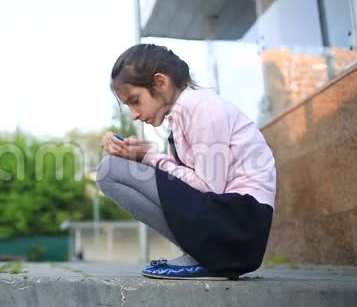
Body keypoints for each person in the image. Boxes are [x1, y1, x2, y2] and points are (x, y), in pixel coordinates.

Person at [96, 44, 276, 280]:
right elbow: (183, 183)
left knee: (109, 171)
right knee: (114, 169)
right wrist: (140, 156)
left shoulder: (201, 107)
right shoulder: (183, 115)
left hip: (239, 225)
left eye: (135, 101)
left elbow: (206, 187)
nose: (134, 114)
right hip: (233, 227)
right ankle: (201, 255)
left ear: (161, 82)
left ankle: (206, 256)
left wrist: (149, 158)